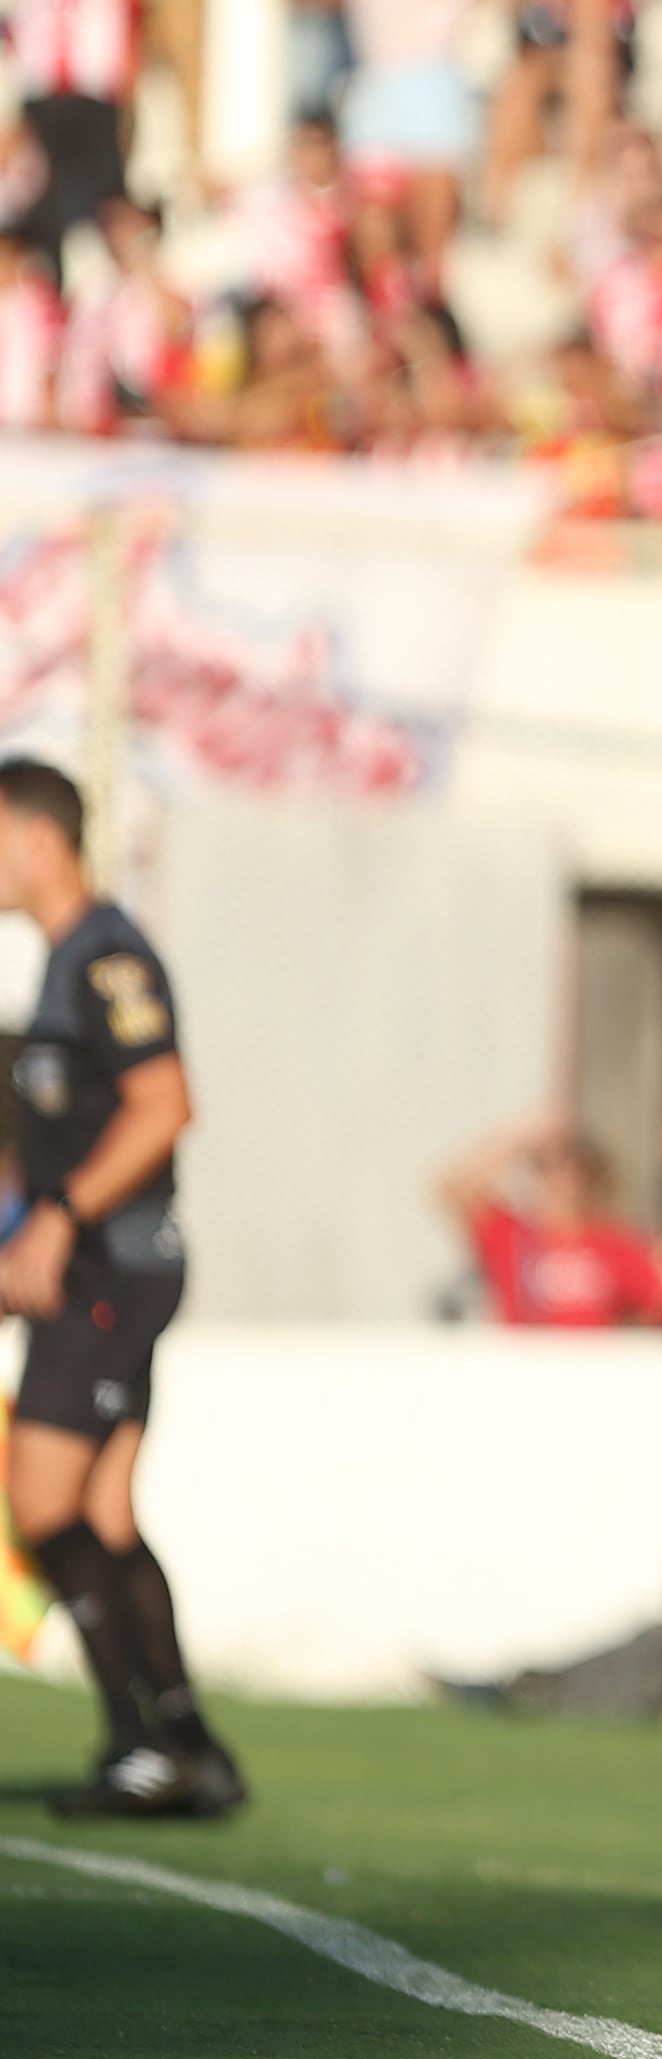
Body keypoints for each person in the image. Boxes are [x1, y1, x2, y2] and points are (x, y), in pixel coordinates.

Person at [0, 758, 231, 1815]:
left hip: (113, 1270)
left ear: (41, 838)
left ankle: (142, 1745)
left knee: (41, 1504)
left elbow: (164, 1103)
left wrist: (59, 1218)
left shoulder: (106, 959)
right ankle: (187, 1744)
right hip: (106, 1269)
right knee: (103, 1511)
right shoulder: (61, 965)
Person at [436, 1115, 662, 1328]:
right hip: (523, 1368)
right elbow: (455, 1189)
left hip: (591, 1372)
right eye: (544, 1166)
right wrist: (518, 1138)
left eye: (569, 1166)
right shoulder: (510, 1234)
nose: (558, 1178)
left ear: (586, 1174)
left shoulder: (616, 1242)